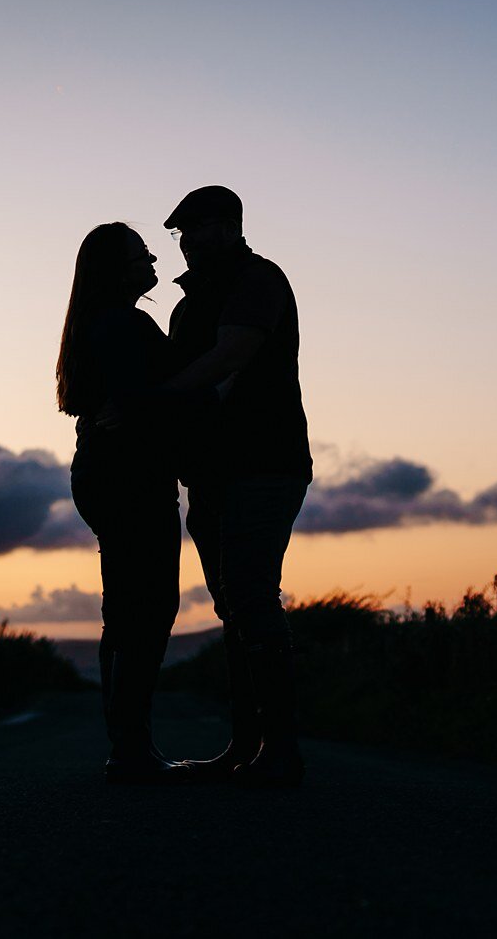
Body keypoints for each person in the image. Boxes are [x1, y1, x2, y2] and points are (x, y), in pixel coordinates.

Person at [159, 185, 312, 787]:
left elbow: (231, 357)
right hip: (211, 471)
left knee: (250, 597)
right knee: (232, 607)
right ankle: (247, 748)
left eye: (193, 230)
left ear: (227, 226)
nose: (185, 243)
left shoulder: (259, 280)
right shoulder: (186, 304)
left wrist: (158, 402)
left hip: (265, 463)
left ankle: (280, 752)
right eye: (180, 234)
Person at [55, 222, 185, 784]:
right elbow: (153, 396)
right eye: (140, 253)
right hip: (129, 476)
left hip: (105, 472)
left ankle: (128, 744)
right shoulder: (125, 325)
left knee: (127, 609)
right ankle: (130, 748)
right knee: (148, 609)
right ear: (116, 267)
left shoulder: (98, 325)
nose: (153, 258)